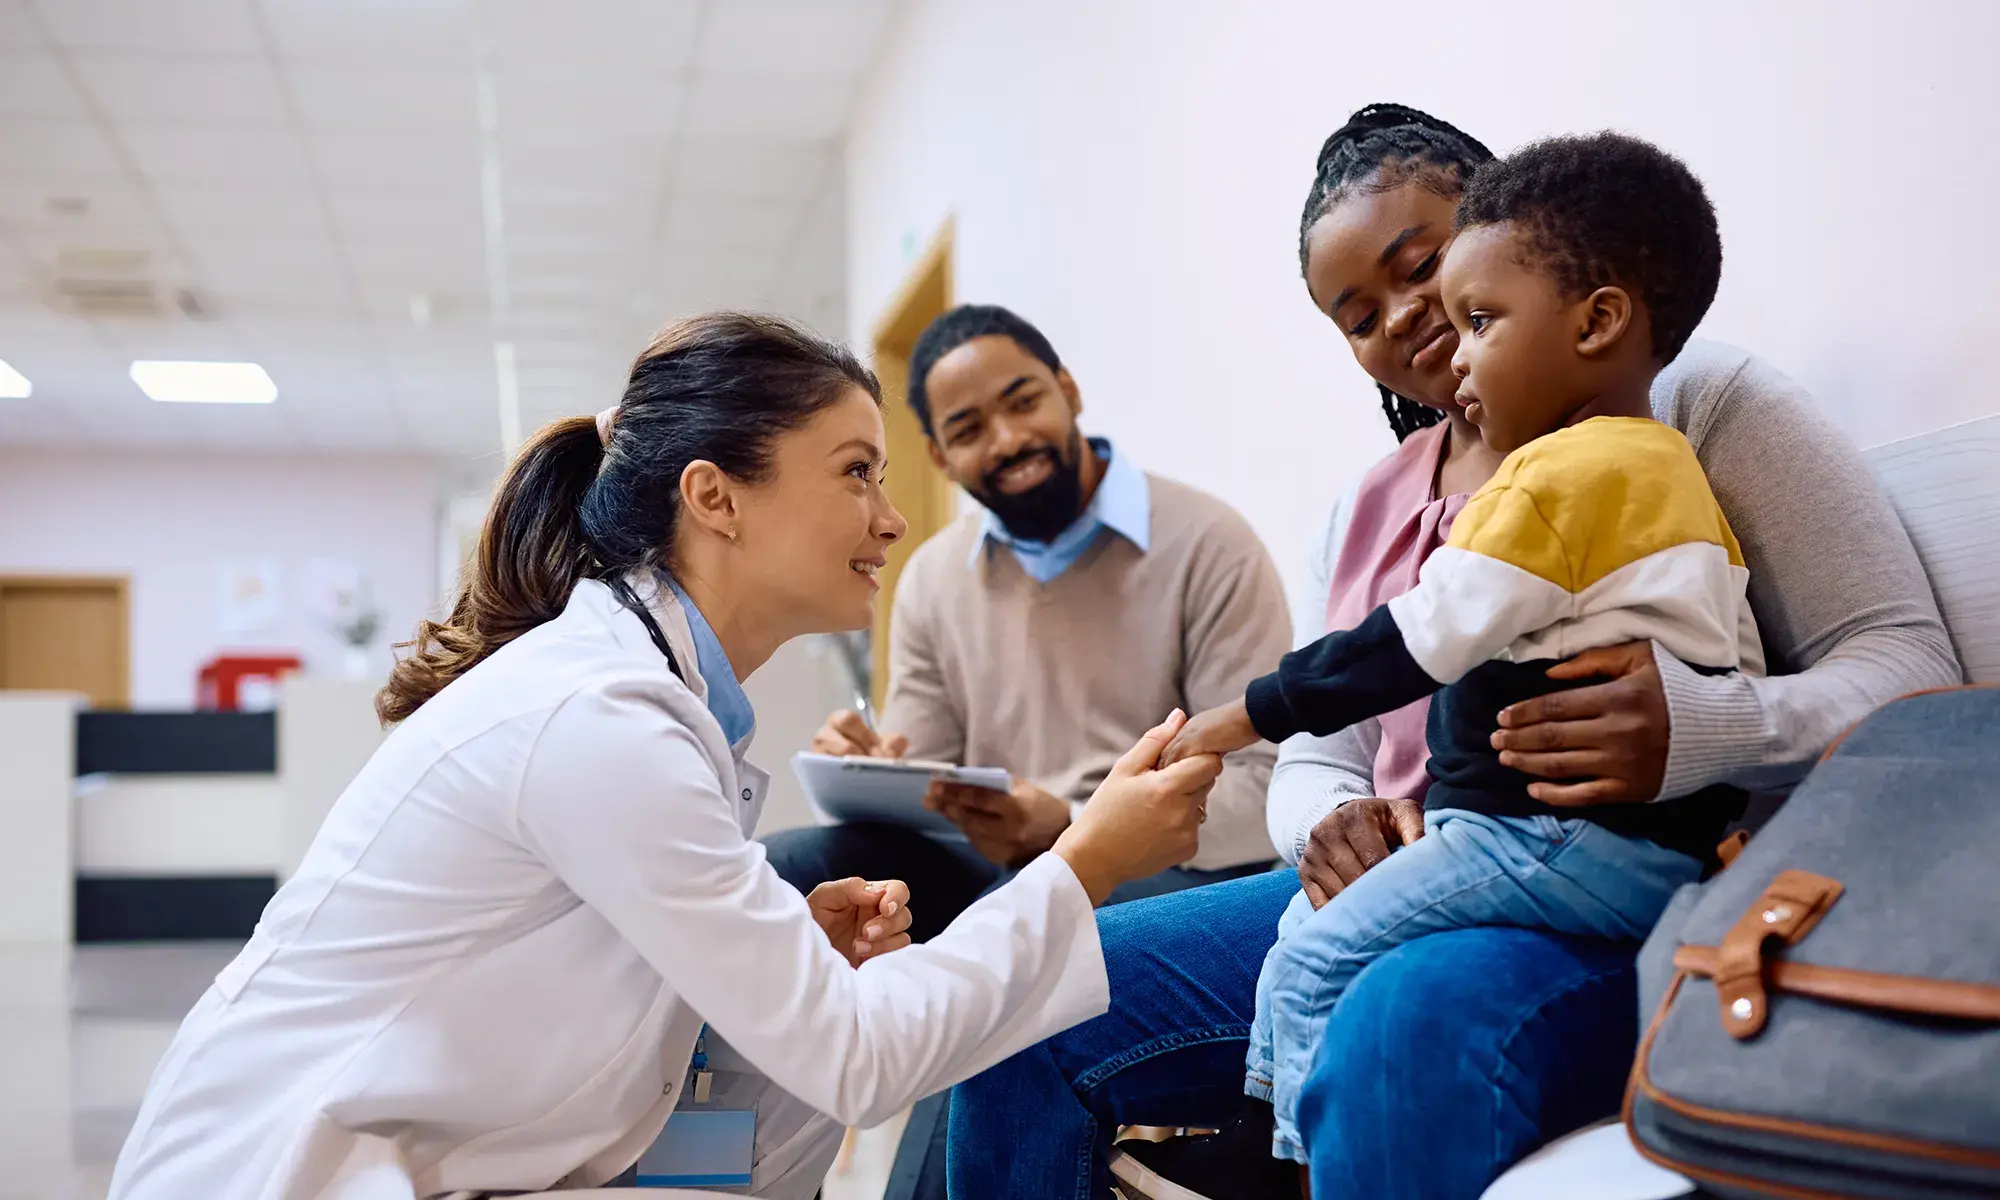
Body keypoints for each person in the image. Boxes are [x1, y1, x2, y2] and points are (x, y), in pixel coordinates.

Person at [947, 105, 1958, 1200]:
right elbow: (1322, 751)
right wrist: (1330, 827)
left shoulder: (1689, 409)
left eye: (1419, 267)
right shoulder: (1369, 507)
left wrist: (1700, 727)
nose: (1402, 320)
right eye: (1354, 314)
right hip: (1411, 874)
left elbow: (1904, 658)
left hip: (1612, 882)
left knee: (1396, 1023)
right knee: (1020, 1001)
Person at [104, 314, 1226, 1200]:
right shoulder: (602, 720)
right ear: (713, 497)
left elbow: (732, 1099)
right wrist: (1084, 860)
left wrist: (786, 959)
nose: (890, 521)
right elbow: (855, 1063)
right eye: (855, 473)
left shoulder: (654, 703)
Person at [1166, 130, 1758, 1167]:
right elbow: (1731, 637)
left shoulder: (1569, 472)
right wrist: (1325, 818)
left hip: (1537, 843)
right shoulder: (1659, 474)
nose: (1427, 328)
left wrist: (1245, 711)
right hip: (1618, 850)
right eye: (1357, 317)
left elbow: (1413, 641)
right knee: (1093, 987)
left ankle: (1288, 1162)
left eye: (1455, 298)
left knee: (1309, 974)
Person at [762, 304, 1292, 1195]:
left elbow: (1260, 788)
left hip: (1157, 861)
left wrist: (1075, 826)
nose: (1008, 439)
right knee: (788, 872)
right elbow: (925, 771)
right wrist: (871, 764)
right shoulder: (933, 579)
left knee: (1008, 937)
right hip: (992, 860)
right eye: (969, 429)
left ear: (1069, 391)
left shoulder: (1207, 543)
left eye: (1023, 402)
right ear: (939, 456)